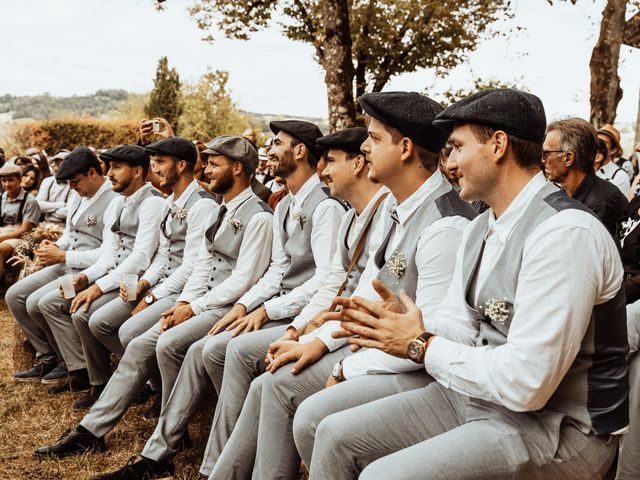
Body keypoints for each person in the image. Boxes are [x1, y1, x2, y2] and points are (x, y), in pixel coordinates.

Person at [305, 89, 628, 479]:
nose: (450, 163)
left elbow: (527, 384)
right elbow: (458, 329)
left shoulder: (566, 233)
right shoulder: (481, 227)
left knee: (385, 476)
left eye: (457, 147)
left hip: (562, 428)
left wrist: (421, 343)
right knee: (330, 432)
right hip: (479, 398)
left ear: (498, 145)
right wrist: (410, 327)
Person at [224, 93, 475, 480]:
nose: (363, 147)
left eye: (373, 138)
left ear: (405, 148)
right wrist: (318, 341)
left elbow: (430, 340)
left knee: (297, 401)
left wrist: (345, 366)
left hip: (418, 371)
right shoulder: (400, 209)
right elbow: (370, 294)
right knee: (275, 379)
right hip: (382, 351)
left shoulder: (444, 225)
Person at [91, 121, 345, 480]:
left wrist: (261, 310)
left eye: (278, 143)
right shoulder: (287, 203)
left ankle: (212, 466)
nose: (270, 151)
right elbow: (277, 268)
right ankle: (166, 452)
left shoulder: (323, 207)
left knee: (211, 349)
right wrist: (246, 307)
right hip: (266, 303)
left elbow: (324, 278)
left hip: (300, 311)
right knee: (193, 348)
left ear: (300, 151)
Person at [34, 135, 274, 464]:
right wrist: (177, 300)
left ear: (237, 168)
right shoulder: (216, 208)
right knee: (140, 341)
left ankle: (154, 428)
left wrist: (186, 303)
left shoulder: (251, 215)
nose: (208, 168)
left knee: (155, 342)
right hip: (196, 296)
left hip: (225, 305)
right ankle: (96, 431)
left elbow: (243, 279)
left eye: (215, 163)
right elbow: (198, 266)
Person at [35, 145, 165, 407]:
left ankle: (144, 378)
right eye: (110, 167)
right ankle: (101, 380)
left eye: (117, 167)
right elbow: (109, 253)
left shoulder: (153, 202)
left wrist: (98, 286)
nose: (110, 173)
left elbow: (140, 257)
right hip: (113, 273)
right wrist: (85, 279)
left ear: (138, 171)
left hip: (142, 278)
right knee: (70, 306)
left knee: (89, 316)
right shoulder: (118, 202)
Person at [9, 147, 119, 384]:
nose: (72, 187)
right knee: (15, 296)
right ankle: (49, 355)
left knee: (39, 302)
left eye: (75, 181)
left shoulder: (116, 198)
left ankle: (78, 367)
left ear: (93, 173)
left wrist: (64, 257)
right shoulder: (78, 195)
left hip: (91, 270)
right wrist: (54, 245)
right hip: (67, 263)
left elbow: (111, 255)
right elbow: (71, 234)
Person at [542, 117, 628, 239]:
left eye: (546, 153)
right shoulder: (564, 194)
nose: (542, 160)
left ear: (568, 159)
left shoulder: (601, 205)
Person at [0, 163, 41, 281]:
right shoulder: (2, 197)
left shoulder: (29, 200)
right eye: (4, 180)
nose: (7, 184)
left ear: (19, 180)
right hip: (4, 231)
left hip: (23, 236)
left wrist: (2, 238)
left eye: (11, 180)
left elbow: (25, 230)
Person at [36, 150, 73, 224]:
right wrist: (62, 205)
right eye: (55, 165)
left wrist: (48, 212)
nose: (56, 169)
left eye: (60, 165)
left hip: (66, 226)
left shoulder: (74, 183)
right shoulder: (47, 181)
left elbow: (70, 211)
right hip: (45, 225)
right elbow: (37, 205)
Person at [597, 124, 630, 195]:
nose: (598, 145)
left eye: (603, 143)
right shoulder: (584, 169)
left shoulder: (620, 177)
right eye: (596, 141)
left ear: (613, 150)